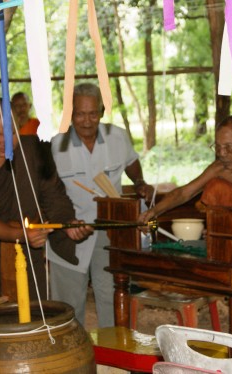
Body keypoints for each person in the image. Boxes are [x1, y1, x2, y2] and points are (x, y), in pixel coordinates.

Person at [0, 98, 92, 307]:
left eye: (12, 133)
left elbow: (54, 196)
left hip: (29, 250)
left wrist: (68, 223)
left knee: (33, 313)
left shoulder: (32, 150)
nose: (6, 142)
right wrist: (22, 235)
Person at [48, 82, 153, 328]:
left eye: (92, 113)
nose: (87, 121)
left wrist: (139, 182)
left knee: (112, 295)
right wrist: (63, 223)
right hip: (71, 232)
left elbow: (131, 162)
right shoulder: (56, 145)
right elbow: (48, 191)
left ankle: (113, 351)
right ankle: (73, 354)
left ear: (102, 111)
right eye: (80, 114)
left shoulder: (117, 137)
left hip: (109, 229)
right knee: (68, 302)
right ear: (70, 114)